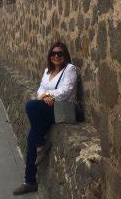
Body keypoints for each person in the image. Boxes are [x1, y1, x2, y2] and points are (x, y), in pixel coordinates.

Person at [13, 42, 78, 195]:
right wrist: (44, 95)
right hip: (48, 108)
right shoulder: (47, 71)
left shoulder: (70, 69)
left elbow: (66, 91)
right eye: (53, 53)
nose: (56, 56)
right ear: (50, 56)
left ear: (65, 55)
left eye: (60, 54)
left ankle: (42, 142)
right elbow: (40, 89)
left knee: (30, 106)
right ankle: (30, 181)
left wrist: (49, 95)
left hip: (61, 109)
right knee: (31, 137)